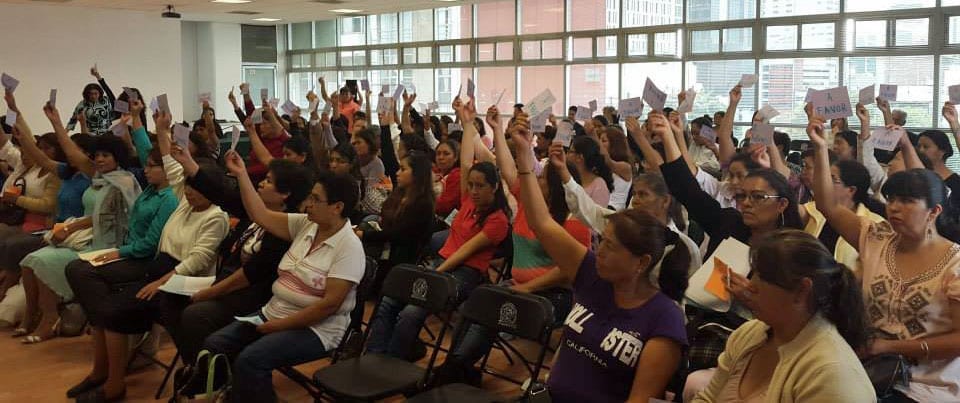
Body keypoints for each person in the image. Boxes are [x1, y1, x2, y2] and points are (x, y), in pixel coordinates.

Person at [511, 111, 690, 402]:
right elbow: (541, 223)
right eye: (601, 242)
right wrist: (524, 157)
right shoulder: (592, 273)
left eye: (610, 247)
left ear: (641, 262)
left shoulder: (664, 318)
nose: (599, 252)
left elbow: (639, 400)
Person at [65, 110, 229, 402]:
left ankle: (114, 384)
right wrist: (160, 128)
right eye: (188, 188)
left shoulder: (216, 217)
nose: (189, 193)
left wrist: (161, 282)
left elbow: (196, 261)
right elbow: (172, 167)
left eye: (196, 189)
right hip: (159, 270)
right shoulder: (184, 203)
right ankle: (105, 372)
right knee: (101, 302)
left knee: (113, 311)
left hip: (182, 280)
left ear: (213, 191)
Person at [809, 115, 960, 402]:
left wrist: (890, 347)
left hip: (927, 384)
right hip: (866, 367)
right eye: (891, 199)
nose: (894, 208)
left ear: (934, 212)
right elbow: (827, 204)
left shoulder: (955, 264)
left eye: (907, 201)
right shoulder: (876, 238)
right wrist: (819, 148)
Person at [201, 151, 364, 403]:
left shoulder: (349, 248)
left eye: (315, 198)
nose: (307, 203)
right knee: (216, 344)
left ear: (337, 207)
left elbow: (328, 306)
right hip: (274, 313)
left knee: (251, 359)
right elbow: (260, 215)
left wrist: (277, 326)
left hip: (316, 329)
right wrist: (242, 174)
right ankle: (236, 394)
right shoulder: (307, 225)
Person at [365, 96, 510, 361]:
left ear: (495, 188)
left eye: (481, 186)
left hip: (464, 272)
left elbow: (465, 252)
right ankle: (374, 354)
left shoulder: (497, 219)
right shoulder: (470, 202)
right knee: (388, 300)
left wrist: (433, 272)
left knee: (411, 311)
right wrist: (467, 122)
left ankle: (393, 362)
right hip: (441, 263)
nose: (474, 191)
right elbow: (466, 163)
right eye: (472, 185)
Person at [157, 147, 313, 368]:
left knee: (196, 315)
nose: (260, 183)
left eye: (268, 181)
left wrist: (210, 292)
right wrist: (189, 163)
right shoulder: (255, 213)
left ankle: (210, 371)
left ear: (285, 194)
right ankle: (198, 366)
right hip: (228, 284)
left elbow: (251, 275)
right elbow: (221, 194)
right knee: (168, 299)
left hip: (252, 294)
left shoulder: (287, 229)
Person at [691, 230, 874, 402]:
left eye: (763, 277)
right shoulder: (750, 334)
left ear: (801, 290)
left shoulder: (832, 374)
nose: (750, 285)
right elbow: (708, 398)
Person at [17, 103, 142, 345]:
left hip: (107, 243)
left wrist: (72, 227)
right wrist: (55, 122)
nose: (100, 159)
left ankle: (50, 318)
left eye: (106, 155)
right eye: (97, 155)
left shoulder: (124, 181)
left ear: (118, 157)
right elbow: (72, 153)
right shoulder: (97, 176)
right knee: (29, 261)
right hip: (83, 236)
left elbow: (115, 220)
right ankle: (40, 315)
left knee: (41, 259)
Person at [0, 94, 64, 300]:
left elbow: (48, 205)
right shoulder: (29, 166)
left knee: (9, 242)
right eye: (40, 148)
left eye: (47, 148)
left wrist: (16, 200)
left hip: (40, 225)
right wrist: (13, 107)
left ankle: (7, 282)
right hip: (19, 219)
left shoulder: (58, 173)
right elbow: (15, 143)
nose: (41, 151)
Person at [355, 150, 436, 290]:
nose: (397, 173)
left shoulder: (423, 203)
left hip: (401, 254)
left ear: (417, 174)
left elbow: (399, 235)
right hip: (388, 243)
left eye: (403, 169)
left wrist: (366, 235)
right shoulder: (400, 193)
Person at [568, 135, 614, 208]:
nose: (567, 155)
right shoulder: (570, 177)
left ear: (579, 157)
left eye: (570, 152)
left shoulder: (599, 186)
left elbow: (597, 216)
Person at [67, 66, 114, 135]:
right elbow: (73, 120)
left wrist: (98, 76)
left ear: (100, 93)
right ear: (87, 94)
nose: (93, 96)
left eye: (96, 93)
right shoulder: (82, 104)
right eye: (91, 94)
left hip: (107, 133)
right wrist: (64, 133)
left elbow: (108, 91)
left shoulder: (106, 100)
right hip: (90, 135)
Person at [434, 139, 461, 216]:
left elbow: (444, 207)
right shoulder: (433, 172)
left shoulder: (458, 175)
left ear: (455, 157)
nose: (441, 157)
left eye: (446, 154)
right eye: (438, 154)